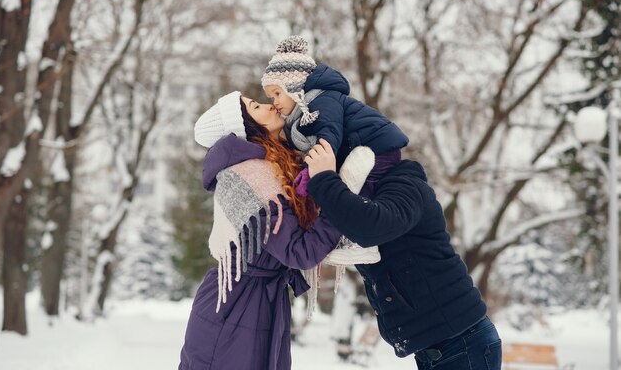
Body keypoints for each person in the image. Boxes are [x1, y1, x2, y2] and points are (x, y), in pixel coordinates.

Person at [304, 139, 503, 370]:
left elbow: (369, 227)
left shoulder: (405, 186)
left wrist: (323, 179)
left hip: (462, 344)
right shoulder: (372, 198)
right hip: (440, 347)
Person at [178, 91, 342, 370]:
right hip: (236, 309)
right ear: (244, 126)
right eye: (255, 106)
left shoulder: (273, 166)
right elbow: (299, 251)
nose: (268, 105)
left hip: (254, 301)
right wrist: (341, 201)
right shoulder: (249, 177)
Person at [260, 35, 408, 197]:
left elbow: (329, 132)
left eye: (277, 93)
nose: (275, 102)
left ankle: (354, 216)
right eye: (271, 97)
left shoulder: (322, 100)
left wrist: (311, 171)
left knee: (352, 192)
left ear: (294, 87)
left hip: (378, 145)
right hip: (361, 149)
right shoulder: (297, 119)